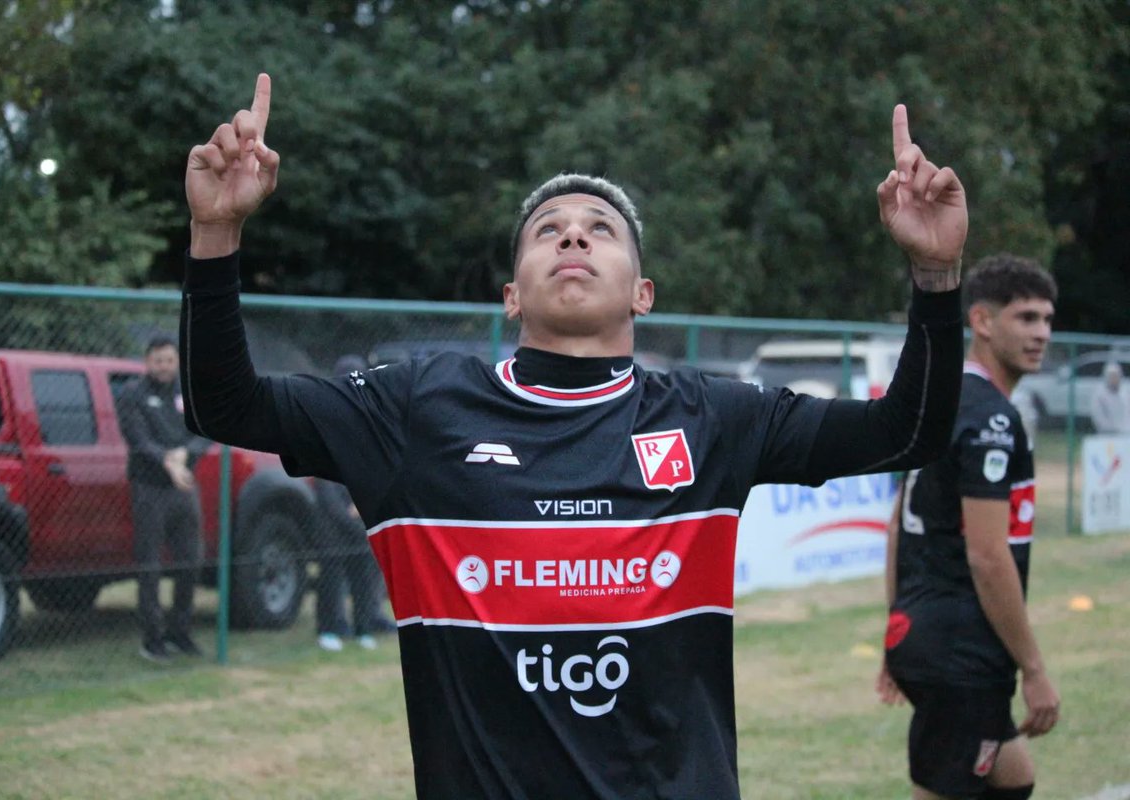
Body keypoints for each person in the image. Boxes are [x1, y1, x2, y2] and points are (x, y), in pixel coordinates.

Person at [180, 74, 966, 798]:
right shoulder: (416, 410)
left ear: (643, 292)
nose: (573, 238)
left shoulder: (716, 418)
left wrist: (936, 278)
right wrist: (215, 235)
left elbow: (908, 433)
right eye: (547, 230)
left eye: (601, 230)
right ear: (512, 295)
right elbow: (225, 407)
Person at [877, 255, 1061, 800]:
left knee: (1013, 776)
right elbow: (987, 555)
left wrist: (899, 628)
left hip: (927, 634)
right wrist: (1034, 668)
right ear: (982, 322)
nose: (1041, 334)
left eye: (1048, 319)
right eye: (1026, 318)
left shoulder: (946, 403)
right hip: (961, 649)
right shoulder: (991, 419)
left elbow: (895, 527)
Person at [116, 336, 210, 662]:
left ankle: (179, 632)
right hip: (149, 489)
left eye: (169, 360)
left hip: (183, 487)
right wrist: (168, 462)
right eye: (158, 360)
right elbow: (138, 440)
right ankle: (152, 639)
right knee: (151, 566)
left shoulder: (188, 392)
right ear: (147, 361)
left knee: (190, 561)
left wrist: (186, 453)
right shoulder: (132, 394)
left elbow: (204, 431)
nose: (164, 367)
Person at [313, 355, 397, 653]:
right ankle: (330, 627)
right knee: (332, 572)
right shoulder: (324, 418)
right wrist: (344, 511)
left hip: (362, 511)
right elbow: (323, 478)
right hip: (332, 517)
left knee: (364, 569)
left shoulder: (372, 420)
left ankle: (364, 626)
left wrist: (364, 504)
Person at [1090, 361, 1130, 434]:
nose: (1114, 379)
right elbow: (1098, 417)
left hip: (1126, 434)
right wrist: (1112, 429)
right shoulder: (1099, 396)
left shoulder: (1125, 393)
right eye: (1111, 376)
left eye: (1116, 376)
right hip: (1106, 434)